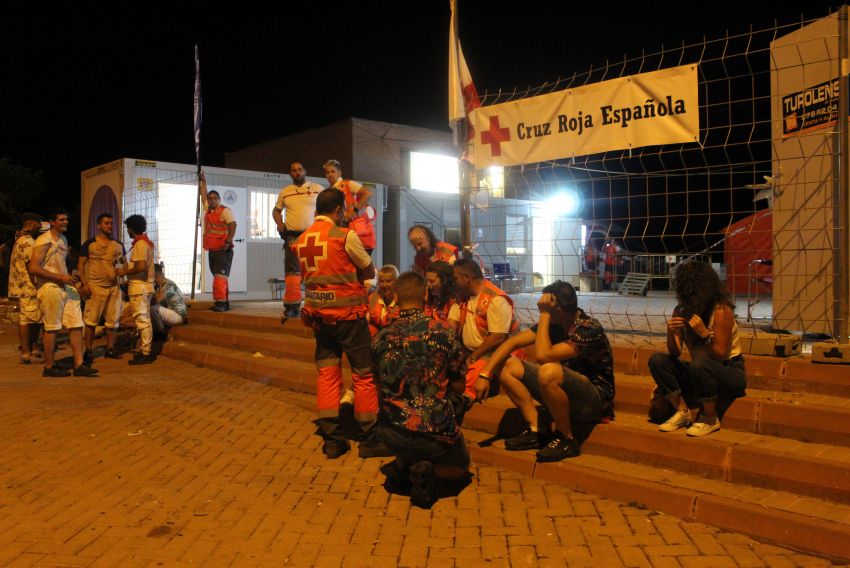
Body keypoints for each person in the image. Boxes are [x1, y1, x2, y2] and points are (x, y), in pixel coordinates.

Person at [291, 187, 388, 459]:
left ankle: (332, 440)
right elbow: (368, 268)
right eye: (344, 209)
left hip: (320, 320)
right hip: (350, 319)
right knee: (364, 375)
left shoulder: (302, 240)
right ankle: (369, 437)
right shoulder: (345, 236)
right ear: (337, 210)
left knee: (327, 376)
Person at [476, 281, 615, 462]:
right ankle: (537, 430)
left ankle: (567, 438)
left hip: (593, 401)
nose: (541, 307)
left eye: (546, 304)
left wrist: (544, 314)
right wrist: (485, 374)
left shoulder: (588, 328)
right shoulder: (555, 324)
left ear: (557, 309)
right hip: (565, 392)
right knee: (507, 365)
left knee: (548, 370)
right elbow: (511, 343)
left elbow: (543, 356)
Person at [373, 271, 470, 508]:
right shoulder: (443, 332)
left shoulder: (381, 337)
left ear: (395, 295)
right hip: (434, 431)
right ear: (425, 294)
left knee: (403, 431)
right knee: (462, 467)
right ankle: (432, 472)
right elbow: (459, 383)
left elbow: (377, 385)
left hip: (390, 431)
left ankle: (405, 467)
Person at [649, 261, 746, 437]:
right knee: (657, 360)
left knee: (700, 363)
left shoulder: (720, 311)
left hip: (729, 371)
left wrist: (705, 335)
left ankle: (710, 418)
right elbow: (674, 353)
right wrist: (671, 332)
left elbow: (721, 354)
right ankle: (682, 412)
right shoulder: (681, 310)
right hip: (700, 371)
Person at [28, 208, 97, 377]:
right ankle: (49, 366)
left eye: (66, 219)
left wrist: (69, 279)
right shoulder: (44, 240)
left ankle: (79, 365)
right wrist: (60, 277)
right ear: (52, 222)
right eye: (61, 219)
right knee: (52, 328)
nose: (65, 222)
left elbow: (60, 265)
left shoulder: (63, 239)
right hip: (50, 288)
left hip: (65, 287)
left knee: (76, 325)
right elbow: (33, 268)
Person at [449, 258, 519, 400]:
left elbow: (497, 338)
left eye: (455, 278)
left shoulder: (496, 300)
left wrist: (473, 357)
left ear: (467, 278)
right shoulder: (462, 298)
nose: (453, 282)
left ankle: (463, 402)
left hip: (495, 353)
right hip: (470, 351)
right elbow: (451, 325)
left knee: (470, 378)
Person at [272, 161, 323, 320]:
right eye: (294, 170)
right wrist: (279, 223)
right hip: (293, 237)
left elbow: (327, 208)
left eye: (300, 169)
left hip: (314, 237)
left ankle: (317, 306)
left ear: (305, 171)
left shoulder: (318, 189)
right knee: (292, 273)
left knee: (316, 273)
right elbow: (276, 211)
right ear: (290, 174)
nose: (297, 172)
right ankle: (292, 307)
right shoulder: (285, 192)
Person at [78, 213, 126, 363]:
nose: (110, 226)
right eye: (106, 223)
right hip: (95, 287)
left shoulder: (118, 245)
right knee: (91, 320)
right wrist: (85, 284)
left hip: (113, 288)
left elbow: (125, 264)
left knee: (113, 320)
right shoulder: (89, 244)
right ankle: (89, 351)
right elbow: (80, 265)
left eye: (111, 223)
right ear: (99, 226)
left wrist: (122, 274)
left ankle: (110, 348)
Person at [116, 214, 156, 365]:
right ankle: (145, 350)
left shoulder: (140, 244)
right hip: (143, 287)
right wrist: (124, 262)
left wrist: (123, 272)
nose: (127, 231)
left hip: (140, 287)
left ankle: (145, 352)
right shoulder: (145, 243)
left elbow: (140, 267)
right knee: (143, 319)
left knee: (142, 320)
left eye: (128, 228)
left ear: (131, 229)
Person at [8, 212, 44, 364]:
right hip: (29, 287)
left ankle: (31, 349)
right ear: (30, 223)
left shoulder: (19, 240)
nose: (40, 226)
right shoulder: (28, 242)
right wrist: (38, 285)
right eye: (38, 223)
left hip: (21, 287)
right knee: (28, 320)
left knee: (31, 319)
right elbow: (32, 267)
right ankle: (26, 352)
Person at [199, 171, 237, 312]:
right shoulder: (208, 210)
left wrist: (228, 241)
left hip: (223, 250)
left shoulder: (225, 211)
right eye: (210, 198)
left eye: (215, 198)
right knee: (219, 277)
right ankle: (223, 302)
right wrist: (203, 180)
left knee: (220, 278)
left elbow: (233, 225)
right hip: (213, 250)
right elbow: (203, 194)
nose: (212, 200)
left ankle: (220, 304)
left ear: (219, 199)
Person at [323, 159, 376, 253]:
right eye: (327, 172)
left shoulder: (347, 184)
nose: (330, 174)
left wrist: (354, 210)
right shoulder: (329, 191)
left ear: (339, 173)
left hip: (353, 228)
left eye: (332, 171)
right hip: (340, 228)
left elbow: (367, 193)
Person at [150, 263, 188, 336]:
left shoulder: (169, 284)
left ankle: (162, 333)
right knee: (150, 310)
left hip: (179, 316)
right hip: (170, 314)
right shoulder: (158, 286)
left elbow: (157, 300)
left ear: (155, 275)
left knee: (152, 309)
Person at [367, 265, 400, 336]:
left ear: (396, 282)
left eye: (388, 281)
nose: (384, 285)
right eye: (381, 281)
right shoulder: (372, 298)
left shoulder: (402, 300)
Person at [423, 260, 457, 327]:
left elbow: (449, 329)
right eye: (427, 281)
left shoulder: (454, 302)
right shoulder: (429, 298)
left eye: (432, 281)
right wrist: (426, 303)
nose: (428, 285)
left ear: (444, 280)